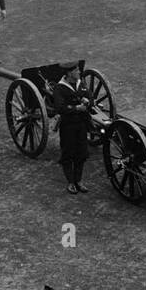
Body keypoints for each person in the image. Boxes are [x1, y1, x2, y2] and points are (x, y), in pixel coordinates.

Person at [54, 62, 92, 195]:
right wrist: (76, 108)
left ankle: (79, 180)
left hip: (81, 124)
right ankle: (71, 182)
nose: (79, 72)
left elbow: (90, 97)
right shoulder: (60, 88)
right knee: (68, 152)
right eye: (76, 70)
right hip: (68, 125)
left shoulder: (80, 83)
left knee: (81, 152)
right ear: (69, 73)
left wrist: (87, 101)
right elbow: (60, 107)